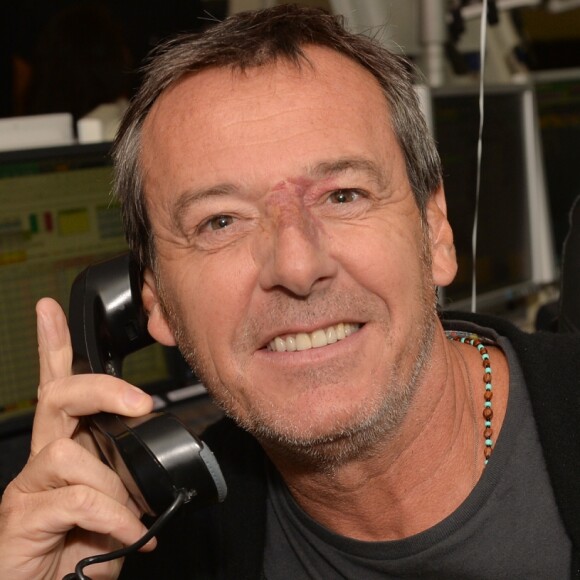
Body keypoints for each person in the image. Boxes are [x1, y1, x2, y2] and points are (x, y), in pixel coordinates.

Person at [0, 5, 579, 579]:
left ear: (436, 233)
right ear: (154, 301)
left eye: (343, 195)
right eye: (220, 222)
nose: (298, 267)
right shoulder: (154, 545)